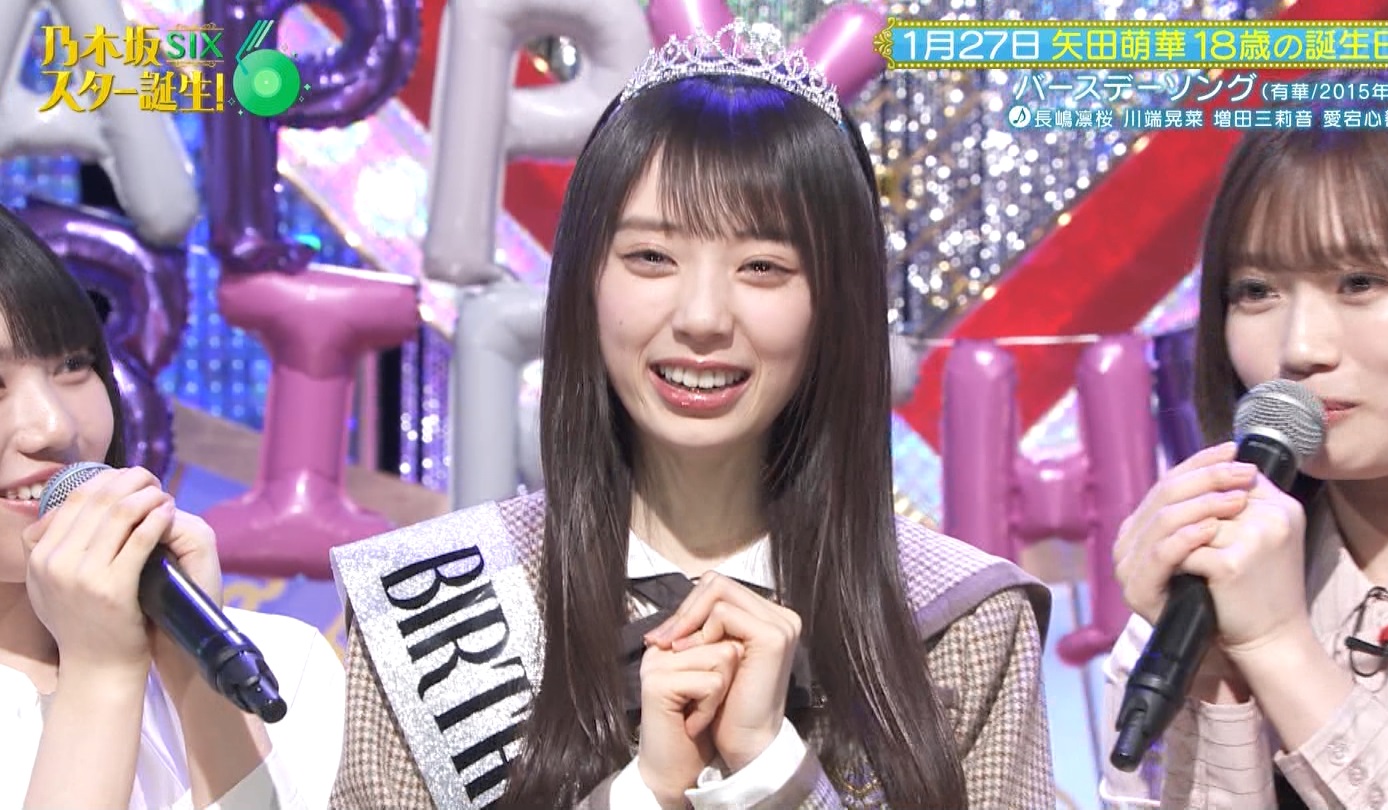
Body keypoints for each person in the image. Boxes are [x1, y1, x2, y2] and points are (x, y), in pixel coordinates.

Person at [328, 21, 1054, 810]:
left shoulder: (962, 626)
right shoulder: (432, 605)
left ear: (835, 307)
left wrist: (774, 777)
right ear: (585, 283)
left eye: (763, 266)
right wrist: (647, 794)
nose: (702, 317)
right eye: (652, 258)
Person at [1101, 68, 1388, 809]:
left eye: (1360, 282)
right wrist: (1212, 672)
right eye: (1256, 291)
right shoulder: (1214, 575)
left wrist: (1280, 648)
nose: (1300, 348)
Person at [0, 202, 345, 809]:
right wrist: (100, 673)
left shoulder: (284, 664)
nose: (53, 426)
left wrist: (197, 675)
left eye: (74, 364)